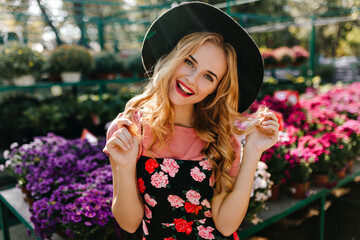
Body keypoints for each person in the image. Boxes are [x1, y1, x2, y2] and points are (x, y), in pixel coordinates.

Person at [104, 2, 279, 239]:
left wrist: (253, 152)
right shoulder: (130, 129)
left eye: (208, 76)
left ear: (216, 90)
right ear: (172, 57)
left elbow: (226, 226)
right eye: (189, 61)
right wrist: (124, 167)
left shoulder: (222, 139)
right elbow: (129, 223)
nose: (192, 80)